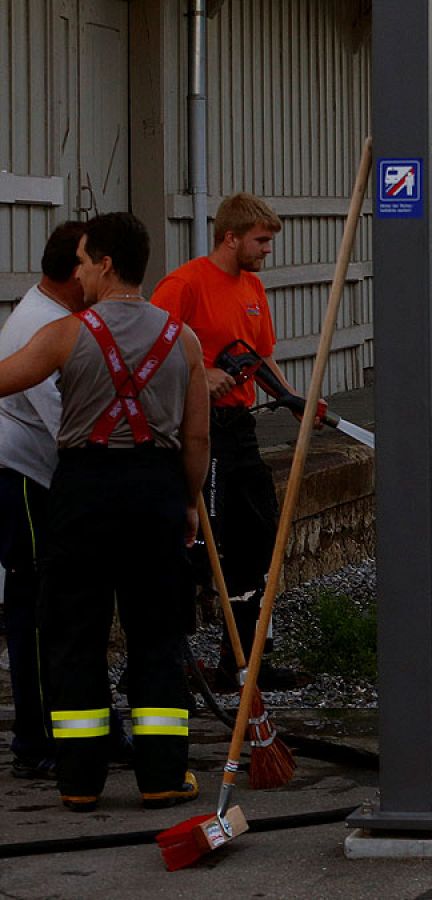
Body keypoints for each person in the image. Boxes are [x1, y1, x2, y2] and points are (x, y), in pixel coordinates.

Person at [0, 212, 210, 811]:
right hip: (155, 492)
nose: (81, 272)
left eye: (85, 261)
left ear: (107, 264)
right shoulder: (183, 340)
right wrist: (189, 501)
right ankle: (162, 775)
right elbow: (197, 439)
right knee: (156, 634)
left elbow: (5, 379)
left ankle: (79, 781)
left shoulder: (66, 334)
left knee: (74, 635)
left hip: (83, 492)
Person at [153, 193, 304, 690]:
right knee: (201, 542)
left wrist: (292, 399)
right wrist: (203, 371)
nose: (267, 250)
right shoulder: (184, 285)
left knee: (256, 534)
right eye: (261, 241)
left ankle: (241, 659)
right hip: (197, 427)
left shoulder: (253, 288)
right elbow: (150, 348)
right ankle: (168, 661)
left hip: (240, 428)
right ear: (230, 238)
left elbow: (260, 357)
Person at [1, 221, 86, 779]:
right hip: (26, 479)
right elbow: (68, 423)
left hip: (43, 478)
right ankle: (35, 740)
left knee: (59, 608)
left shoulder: (57, 316)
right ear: (79, 273)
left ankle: (71, 727)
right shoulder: (41, 326)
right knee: (34, 610)